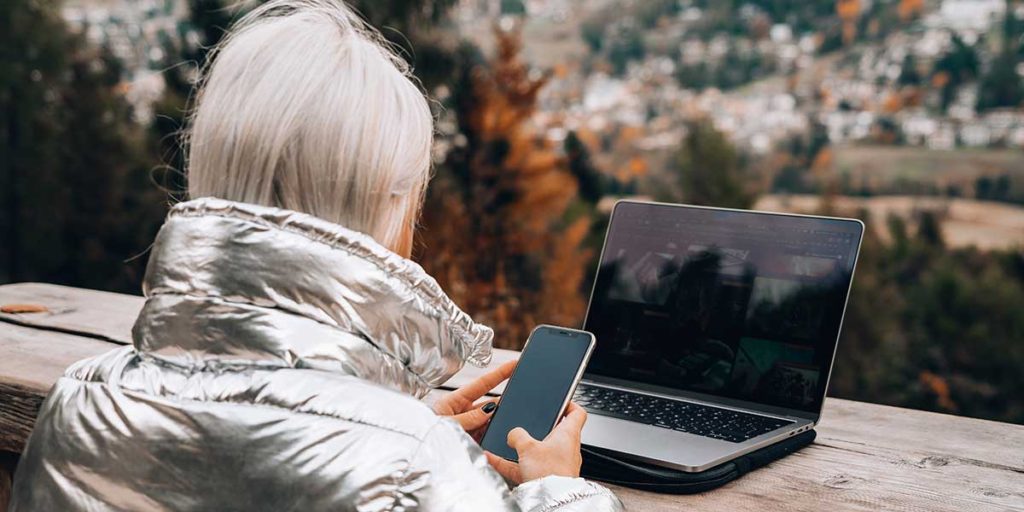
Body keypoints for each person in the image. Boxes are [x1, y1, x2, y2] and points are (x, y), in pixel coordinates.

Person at [9, 1, 623, 510]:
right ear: (390, 201)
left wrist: (399, 419)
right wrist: (558, 490)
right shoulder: (414, 467)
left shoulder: (79, 400)